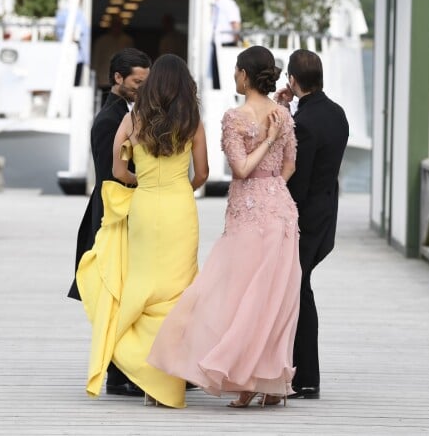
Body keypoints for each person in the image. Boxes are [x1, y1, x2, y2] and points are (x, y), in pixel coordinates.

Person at [147, 45, 301, 408]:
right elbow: (289, 168)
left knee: (230, 294)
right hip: (280, 207)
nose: (234, 76)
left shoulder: (236, 117)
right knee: (270, 298)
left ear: (245, 75)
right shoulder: (283, 115)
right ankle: (263, 382)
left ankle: (244, 380)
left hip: (249, 211)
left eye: (236, 70)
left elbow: (242, 169)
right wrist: (272, 180)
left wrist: (263, 142)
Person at [76, 54, 209, 408]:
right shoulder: (192, 120)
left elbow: (117, 171)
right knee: (179, 291)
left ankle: (134, 360)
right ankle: (166, 371)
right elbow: (204, 172)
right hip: (181, 207)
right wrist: (182, 187)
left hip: (145, 207)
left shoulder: (132, 118)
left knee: (143, 285)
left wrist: (144, 180)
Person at [68, 47, 151, 396]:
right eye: (137, 81)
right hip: (112, 216)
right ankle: (119, 375)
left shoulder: (124, 113)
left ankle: (128, 369)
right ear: (117, 79)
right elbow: (109, 177)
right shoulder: (109, 120)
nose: (142, 87)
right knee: (117, 292)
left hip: (121, 213)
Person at [274, 49, 350, 400]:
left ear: (291, 79)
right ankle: (304, 375)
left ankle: (305, 377)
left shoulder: (304, 123)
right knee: (301, 289)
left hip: (305, 216)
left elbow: (298, 180)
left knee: (298, 291)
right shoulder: (337, 114)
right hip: (327, 212)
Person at [208, 0, 241, 89]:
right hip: (218, 43)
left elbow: (235, 24)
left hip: (226, 43)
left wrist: (236, 42)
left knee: (222, 75)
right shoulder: (218, 4)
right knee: (216, 74)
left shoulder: (228, 3)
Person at [91, 16, 135, 93]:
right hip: (104, 79)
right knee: (105, 102)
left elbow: (132, 60)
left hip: (122, 80)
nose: (117, 27)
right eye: (115, 24)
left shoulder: (127, 40)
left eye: (119, 25)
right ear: (111, 25)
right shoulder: (101, 41)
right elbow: (95, 60)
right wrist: (94, 77)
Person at [55, 4, 91, 86]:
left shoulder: (64, 13)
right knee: (71, 85)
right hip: (73, 56)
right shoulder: (77, 14)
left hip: (74, 56)